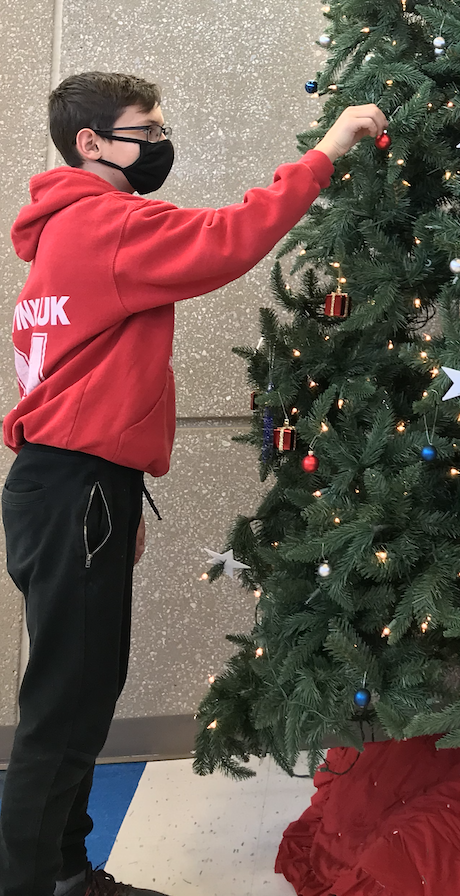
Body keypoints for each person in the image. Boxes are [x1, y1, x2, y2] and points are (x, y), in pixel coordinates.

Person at [1, 73, 387, 896]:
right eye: (145, 131)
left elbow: (69, 378)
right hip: (74, 488)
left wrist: (117, 484)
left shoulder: (61, 235)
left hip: (70, 485)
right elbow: (229, 237)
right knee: (65, 708)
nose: (159, 144)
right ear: (90, 143)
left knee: (79, 693)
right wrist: (326, 151)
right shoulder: (105, 223)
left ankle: (66, 872)